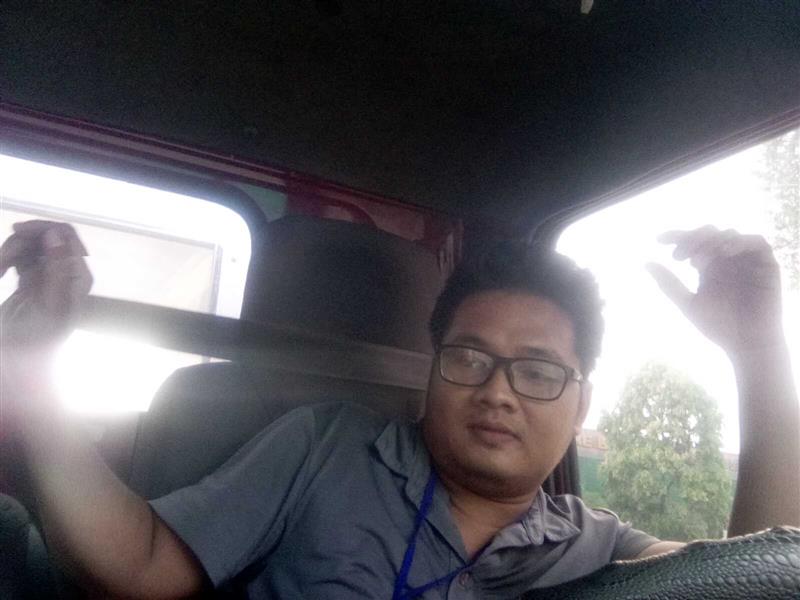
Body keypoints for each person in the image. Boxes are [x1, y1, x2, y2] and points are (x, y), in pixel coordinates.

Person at [0, 220, 797, 599]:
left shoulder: (601, 548)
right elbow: (141, 562)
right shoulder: (325, 445)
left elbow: (758, 580)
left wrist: (758, 353)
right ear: (433, 369)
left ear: (581, 397)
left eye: (537, 372)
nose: (497, 391)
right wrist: (32, 373)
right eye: (470, 358)